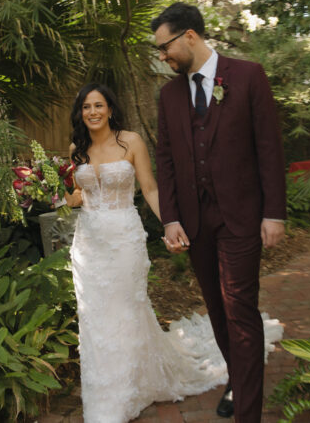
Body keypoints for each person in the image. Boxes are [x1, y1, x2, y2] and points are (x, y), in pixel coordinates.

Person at [65, 82, 283, 423]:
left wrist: (172, 223)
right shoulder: (75, 148)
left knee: (126, 309)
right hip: (88, 245)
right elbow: (75, 196)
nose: (92, 112)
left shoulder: (131, 141)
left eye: (98, 105)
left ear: (109, 108)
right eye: (86, 107)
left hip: (123, 238)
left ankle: (128, 387)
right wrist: (67, 196)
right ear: (80, 113)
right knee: (96, 317)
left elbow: (150, 188)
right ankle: (105, 391)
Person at [152, 2, 287, 422]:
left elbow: (269, 147)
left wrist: (274, 212)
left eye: (165, 46)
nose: (162, 56)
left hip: (242, 216)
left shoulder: (248, 76)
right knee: (216, 309)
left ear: (190, 35)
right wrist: (171, 219)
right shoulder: (169, 95)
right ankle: (239, 379)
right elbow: (167, 160)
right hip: (194, 222)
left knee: (239, 308)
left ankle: (248, 412)